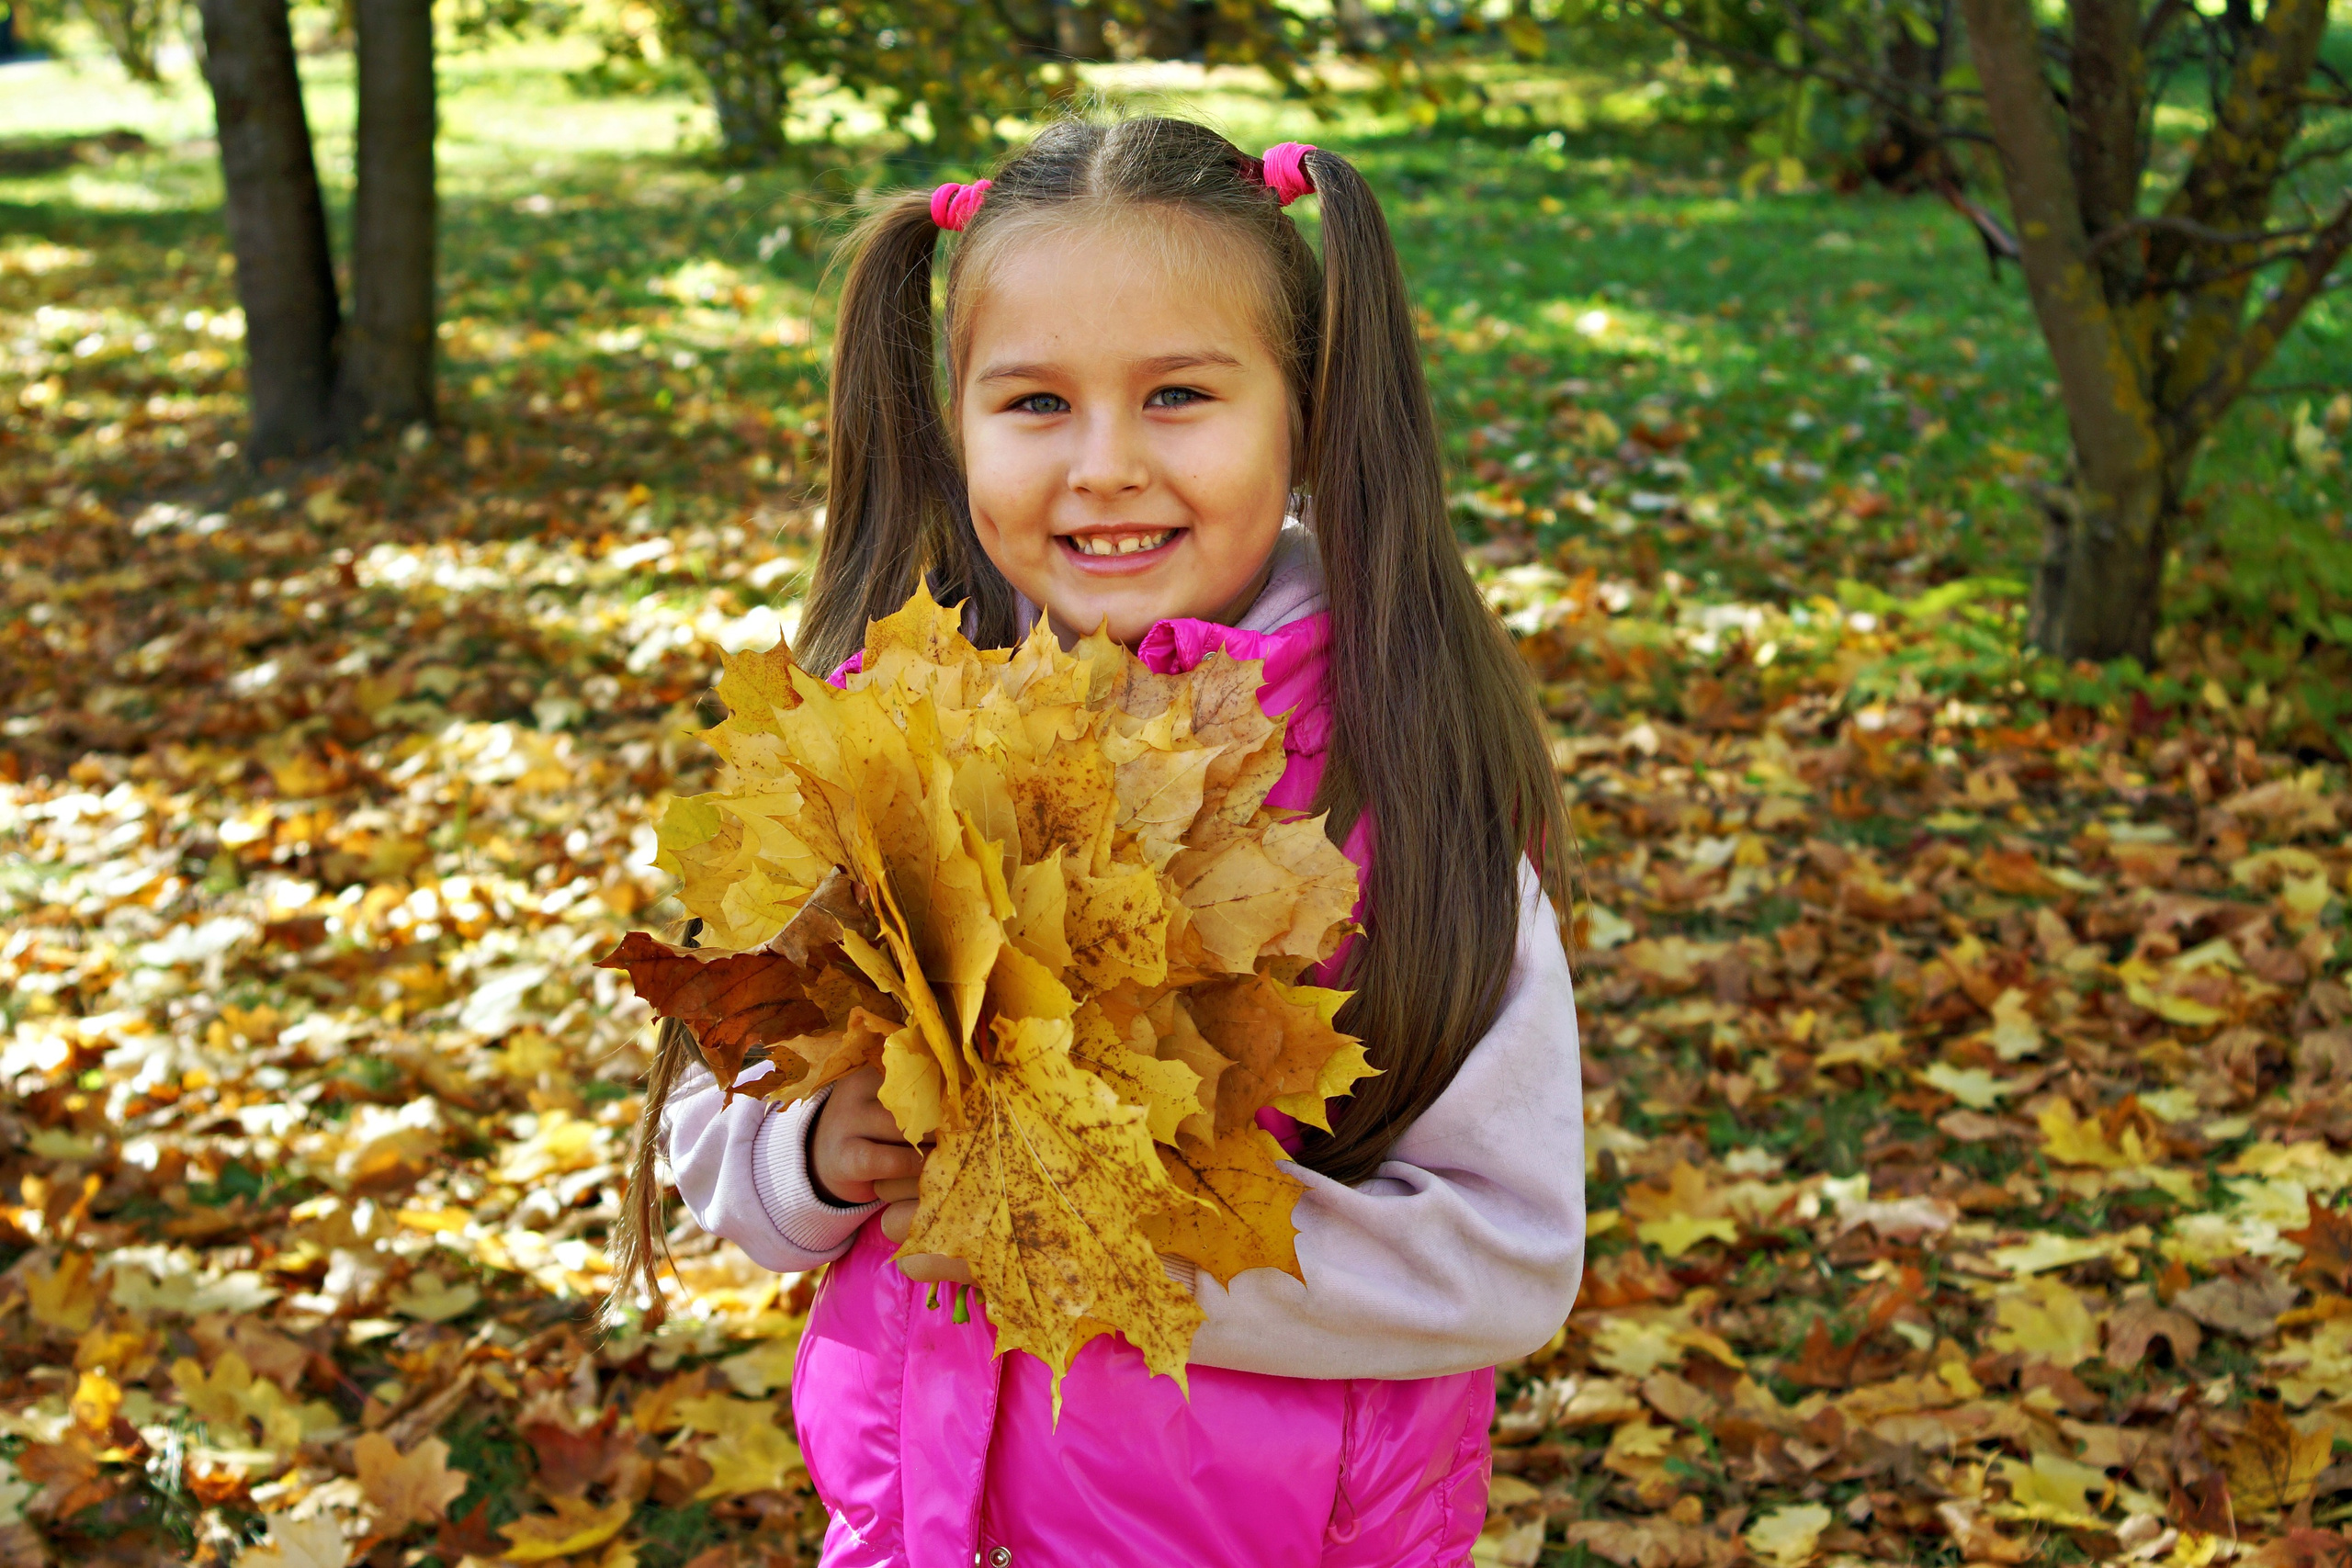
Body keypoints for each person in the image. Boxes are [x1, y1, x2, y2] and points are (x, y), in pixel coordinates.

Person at [620, 118, 1587, 1568]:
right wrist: (813, 1156)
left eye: (1181, 395)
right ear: (957, 425)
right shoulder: (879, 748)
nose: (1105, 467)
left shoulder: (1399, 789)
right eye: (1034, 404)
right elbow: (718, 1109)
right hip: (916, 1529)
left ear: (1305, 411)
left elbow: (1509, 1266)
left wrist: (1115, 1247)